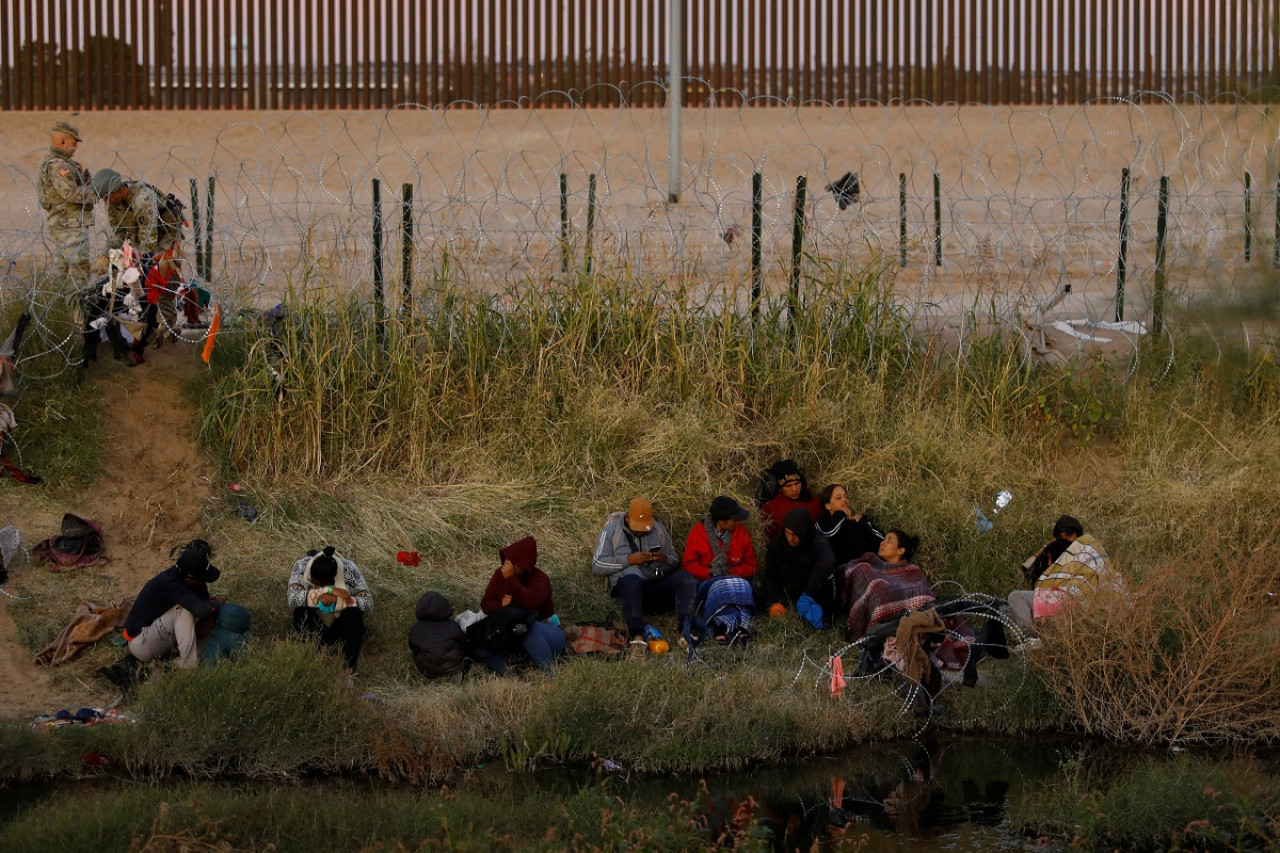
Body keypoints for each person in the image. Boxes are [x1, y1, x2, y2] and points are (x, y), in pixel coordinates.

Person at [91, 168, 185, 348]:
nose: (105, 202)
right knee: (142, 286)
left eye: (106, 197)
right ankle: (148, 330)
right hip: (143, 244)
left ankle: (167, 332)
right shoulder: (114, 204)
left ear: (116, 191)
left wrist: (140, 267)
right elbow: (118, 234)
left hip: (165, 241)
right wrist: (105, 257)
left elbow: (149, 239)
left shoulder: (142, 199)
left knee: (162, 285)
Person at [591, 496, 695, 657]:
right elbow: (597, 565)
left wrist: (664, 559)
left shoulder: (659, 529)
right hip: (629, 591)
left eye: (645, 527)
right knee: (632, 582)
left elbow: (675, 561)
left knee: (684, 577)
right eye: (637, 527)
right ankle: (637, 638)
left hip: (656, 585)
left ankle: (685, 631)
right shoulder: (611, 532)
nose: (641, 531)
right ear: (627, 518)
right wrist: (628, 560)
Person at [1007, 514, 1117, 636]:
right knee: (1005, 609)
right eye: (1060, 537)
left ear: (1078, 536)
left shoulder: (1088, 547)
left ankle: (1030, 638)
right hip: (1062, 603)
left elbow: (1103, 570)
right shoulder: (1056, 552)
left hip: (1076, 599)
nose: (1065, 539)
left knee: (1016, 597)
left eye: (1069, 536)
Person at [122, 542, 223, 670]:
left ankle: (176, 663)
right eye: (202, 579)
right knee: (183, 610)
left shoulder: (191, 582)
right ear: (188, 579)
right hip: (141, 643)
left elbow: (205, 607)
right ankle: (188, 665)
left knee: (211, 621)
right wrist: (217, 605)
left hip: (160, 637)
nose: (204, 582)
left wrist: (211, 609)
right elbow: (202, 609)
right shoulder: (169, 583)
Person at [474, 536, 565, 673]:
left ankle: (548, 671)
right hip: (510, 632)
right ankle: (507, 671)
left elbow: (529, 603)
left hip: (543, 634)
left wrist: (511, 579)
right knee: (477, 637)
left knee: (525, 626)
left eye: (511, 562)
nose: (507, 566)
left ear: (523, 565)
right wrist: (500, 606)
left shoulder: (540, 580)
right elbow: (485, 604)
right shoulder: (500, 574)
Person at [682, 496, 758, 644]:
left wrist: (730, 574)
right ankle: (720, 627)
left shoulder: (741, 533)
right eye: (734, 520)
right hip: (706, 580)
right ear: (722, 523)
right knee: (721, 586)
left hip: (734, 576)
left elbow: (751, 565)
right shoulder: (698, 533)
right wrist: (710, 573)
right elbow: (688, 565)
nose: (738, 523)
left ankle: (741, 628)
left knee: (743, 586)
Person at [287, 545, 374, 675]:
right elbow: (293, 599)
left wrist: (339, 600)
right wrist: (329, 591)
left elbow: (368, 604)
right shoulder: (302, 565)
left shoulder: (348, 568)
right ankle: (310, 663)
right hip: (314, 625)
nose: (317, 586)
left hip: (341, 625)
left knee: (354, 613)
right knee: (300, 611)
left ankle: (348, 669)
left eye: (322, 584)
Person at [842, 529, 934, 639]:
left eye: (889, 541)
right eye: (883, 539)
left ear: (900, 550)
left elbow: (923, 594)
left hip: (917, 625)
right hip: (881, 631)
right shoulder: (868, 566)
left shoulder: (913, 570)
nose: (882, 543)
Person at [37, 121, 96, 291]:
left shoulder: (57, 163)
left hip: (64, 224)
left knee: (62, 270)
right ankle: (77, 312)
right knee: (80, 270)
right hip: (69, 225)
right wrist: (96, 192)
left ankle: (58, 309)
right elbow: (71, 194)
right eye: (74, 142)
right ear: (62, 142)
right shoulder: (59, 165)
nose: (76, 147)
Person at [761, 507, 838, 628]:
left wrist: (809, 593)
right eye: (787, 532)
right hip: (787, 590)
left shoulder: (817, 541)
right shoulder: (778, 544)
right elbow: (770, 575)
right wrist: (775, 601)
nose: (790, 538)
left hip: (810, 589)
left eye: (795, 534)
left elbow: (827, 562)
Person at [814, 483, 883, 567]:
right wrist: (841, 513)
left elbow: (882, 542)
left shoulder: (857, 521)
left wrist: (863, 524)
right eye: (838, 498)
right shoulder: (823, 524)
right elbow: (829, 533)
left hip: (872, 566)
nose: (844, 499)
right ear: (828, 505)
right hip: (846, 570)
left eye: (845, 497)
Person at [759, 460, 822, 541]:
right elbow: (768, 537)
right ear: (780, 489)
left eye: (797, 483)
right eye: (788, 486)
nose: (794, 489)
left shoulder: (814, 501)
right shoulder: (771, 507)